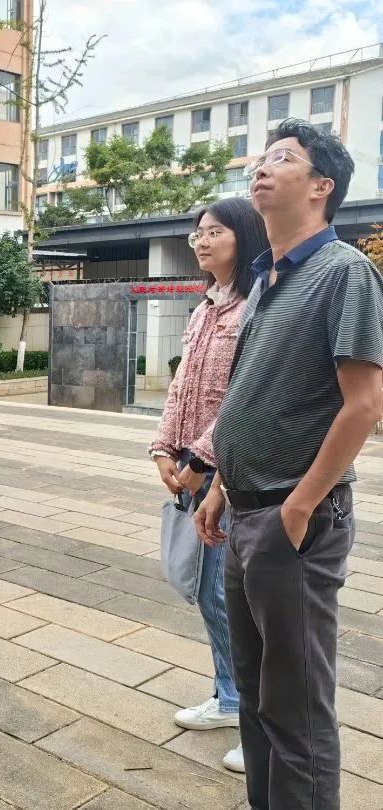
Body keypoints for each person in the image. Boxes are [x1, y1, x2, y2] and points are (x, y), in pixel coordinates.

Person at [197, 119, 383, 809]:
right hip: (247, 509)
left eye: (283, 158)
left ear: (322, 186)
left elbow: (364, 404)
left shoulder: (343, 272)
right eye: (262, 157)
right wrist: (219, 484)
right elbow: (251, 393)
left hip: (294, 520)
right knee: (255, 698)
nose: (262, 168)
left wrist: (300, 506)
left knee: (297, 708)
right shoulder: (267, 278)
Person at [150, 197, 268, 775]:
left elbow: (245, 398)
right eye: (197, 233)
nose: (201, 242)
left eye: (214, 232)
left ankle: (254, 715)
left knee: (229, 596)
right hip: (191, 472)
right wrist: (163, 451)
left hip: (232, 474)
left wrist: (202, 458)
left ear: (243, 237)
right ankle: (228, 695)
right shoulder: (204, 310)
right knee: (200, 587)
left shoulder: (256, 308)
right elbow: (180, 390)